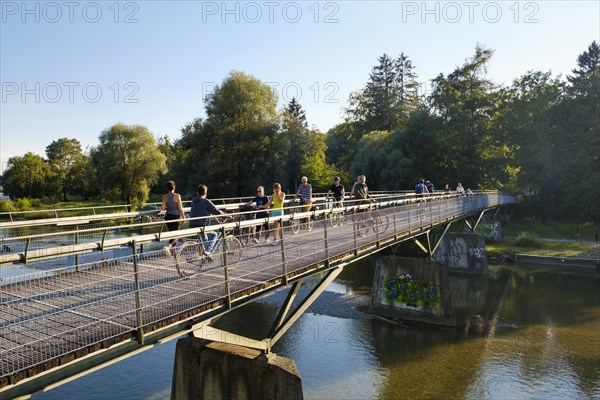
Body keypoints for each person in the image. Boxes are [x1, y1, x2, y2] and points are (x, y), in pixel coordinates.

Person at [189, 184, 227, 255]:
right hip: (202, 225)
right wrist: (226, 215)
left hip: (192, 223)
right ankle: (207, 252)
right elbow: (216, 211)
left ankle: (201, 254)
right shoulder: (206, 201)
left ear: (197, 193)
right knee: (214, 234)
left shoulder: (193, 201)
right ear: (206, 193)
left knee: (204, 238)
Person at [161, 180, 185, 252]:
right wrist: (184, 217)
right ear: (174, 187)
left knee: (172, 234)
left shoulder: (165, 197)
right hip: (175, 217)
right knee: (176, 235)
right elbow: (180, 208)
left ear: (167, 188)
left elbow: (163, 208)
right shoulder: (177, 196)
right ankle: (168, 247)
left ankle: (174, 254)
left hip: (168, 217)